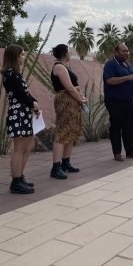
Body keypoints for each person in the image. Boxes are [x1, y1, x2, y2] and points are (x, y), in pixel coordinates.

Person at [1, 44, 40, 194]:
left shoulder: (15, 74)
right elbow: (21, 95)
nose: (24, 57)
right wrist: (33, 104)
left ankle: (20, 177)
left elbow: (26, 93)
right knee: (19, 149)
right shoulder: (11, 75)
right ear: (16, 56)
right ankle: (16, 181)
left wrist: (34, 103)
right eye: (22, 54)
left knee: (28, 146)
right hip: (18, 114)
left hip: (23, 113)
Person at [50, 44, 87, 179]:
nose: (70, 54)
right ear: (65, 52)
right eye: (69, 51)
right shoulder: (59, 66)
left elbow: (72, 88)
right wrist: (80, 99)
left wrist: (80, 97)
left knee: (70, 131)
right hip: (66, 101)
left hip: (71, 100)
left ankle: (66, 162)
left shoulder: (63, 66)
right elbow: (69, 88)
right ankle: (56, 167)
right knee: (63, 131)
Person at [103, 44, 133, 162]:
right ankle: (117, 153)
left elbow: (131, 78)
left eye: (127, 51)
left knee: (129, 127)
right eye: (123, 51)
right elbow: (109, 80)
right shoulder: (111, 64)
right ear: (116, 52)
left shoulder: (128, 64)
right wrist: (128, 77)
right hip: (115, 102)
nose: (126, 53)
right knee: (116, 127)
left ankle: (130, 151)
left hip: (129, 101)